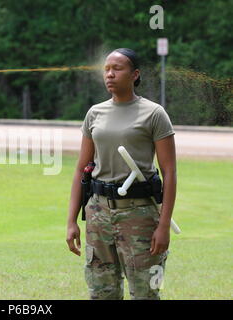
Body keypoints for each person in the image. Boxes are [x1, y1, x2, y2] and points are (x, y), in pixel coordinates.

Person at [66, 48, 177, 300]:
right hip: (98, 212)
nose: (110, 74)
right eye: (106, 69)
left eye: (117, 68)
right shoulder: (95, 113)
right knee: (102, 292)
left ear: (135, 74)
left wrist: (163, 226)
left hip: (139, 214)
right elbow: (80, 168)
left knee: (144, 292)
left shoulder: (154, 113)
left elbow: (169, 172)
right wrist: (71, 220)